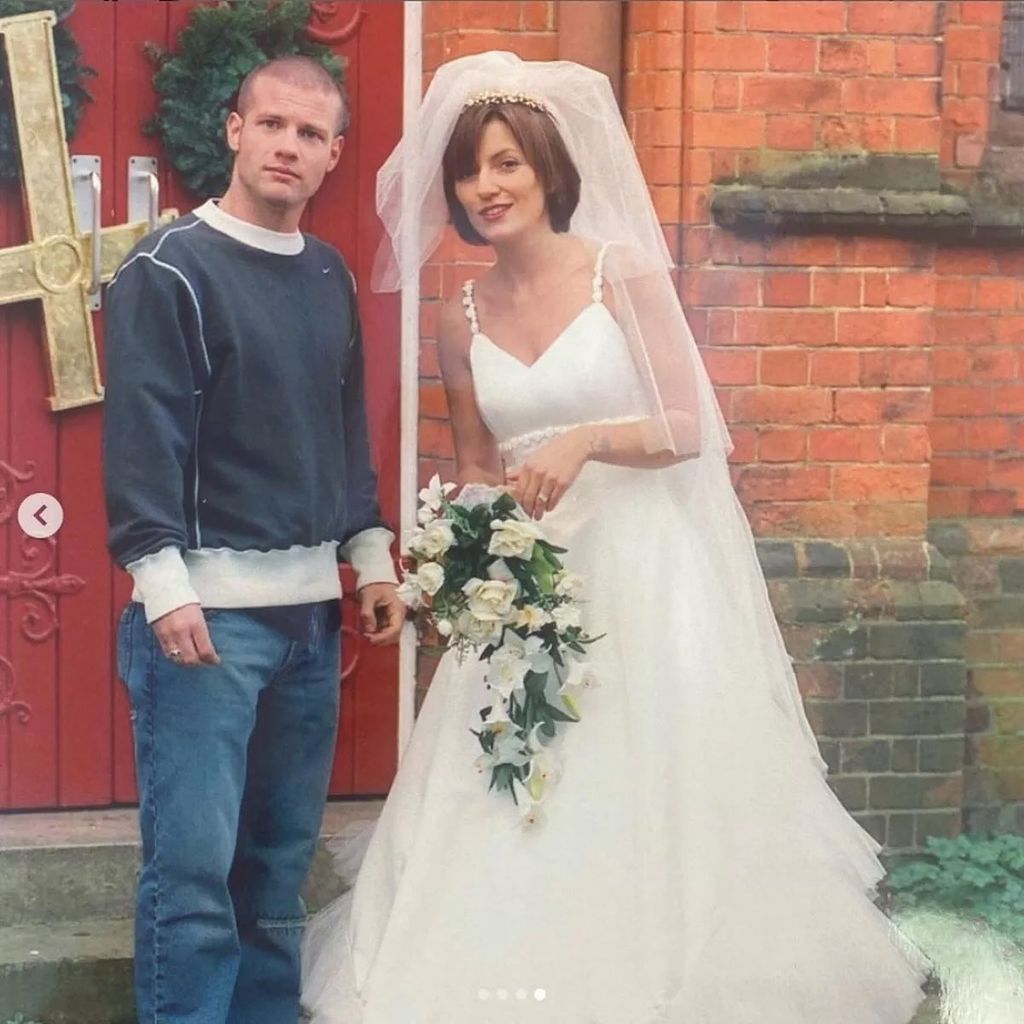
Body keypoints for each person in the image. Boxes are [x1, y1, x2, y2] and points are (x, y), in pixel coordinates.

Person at [301, 52, 928, 1023]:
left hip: (640, 575)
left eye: (506, 162)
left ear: (549, 169)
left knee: (644, 788)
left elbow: (689, 425)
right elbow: (475, 462)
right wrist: (463, 557)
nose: (487, 186)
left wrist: (588, 439)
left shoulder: (619, 272)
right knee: (511, 785)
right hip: (528, 586)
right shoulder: (457, 312)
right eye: (470, 172)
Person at [103, 55, 403, 1024]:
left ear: (333, 155)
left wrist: (367, 556)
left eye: (310, 133)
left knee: (274, 878)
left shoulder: (326, 275)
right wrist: (163, 582)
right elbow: (144, 432)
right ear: (233, 130)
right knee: (192, 880)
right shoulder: (169, 269)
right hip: (205, 627)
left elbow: (343, 427)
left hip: (310, 625)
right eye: (271, 123)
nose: (288, 145)